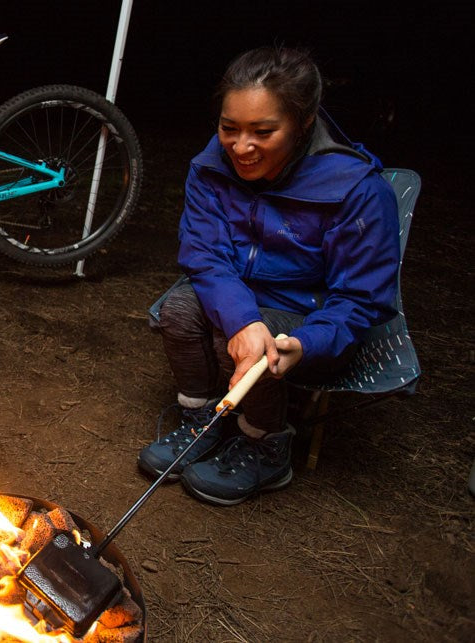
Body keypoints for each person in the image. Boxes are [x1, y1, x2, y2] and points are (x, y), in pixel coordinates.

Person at [139, 46, 400, 505]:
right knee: (180, 310)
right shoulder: (209, 168)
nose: (240, 147)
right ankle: (206, 419)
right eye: (229, 128)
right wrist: (242, 317)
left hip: (309, 314)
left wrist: (307, 343)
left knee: (238, 343)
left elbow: (359, 300)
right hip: (239, 292)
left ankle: (266, 443)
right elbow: (204, 254)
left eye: (263, 131)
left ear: (302, 123)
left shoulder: (357, 191)